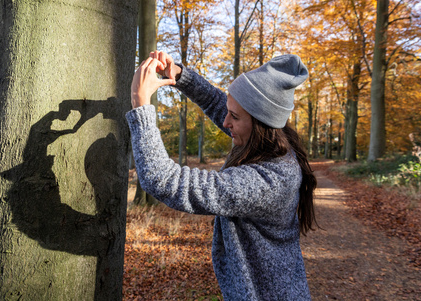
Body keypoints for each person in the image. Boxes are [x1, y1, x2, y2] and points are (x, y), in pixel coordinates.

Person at [126, 50, 317, 300]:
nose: (225, 122)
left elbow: (164, 180)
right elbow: (219, 104)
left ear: (261, 124)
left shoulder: (270, 180)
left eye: (234, 117)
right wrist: (180, 76)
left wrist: (141, 106)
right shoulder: (269, 143)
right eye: (229, 111)